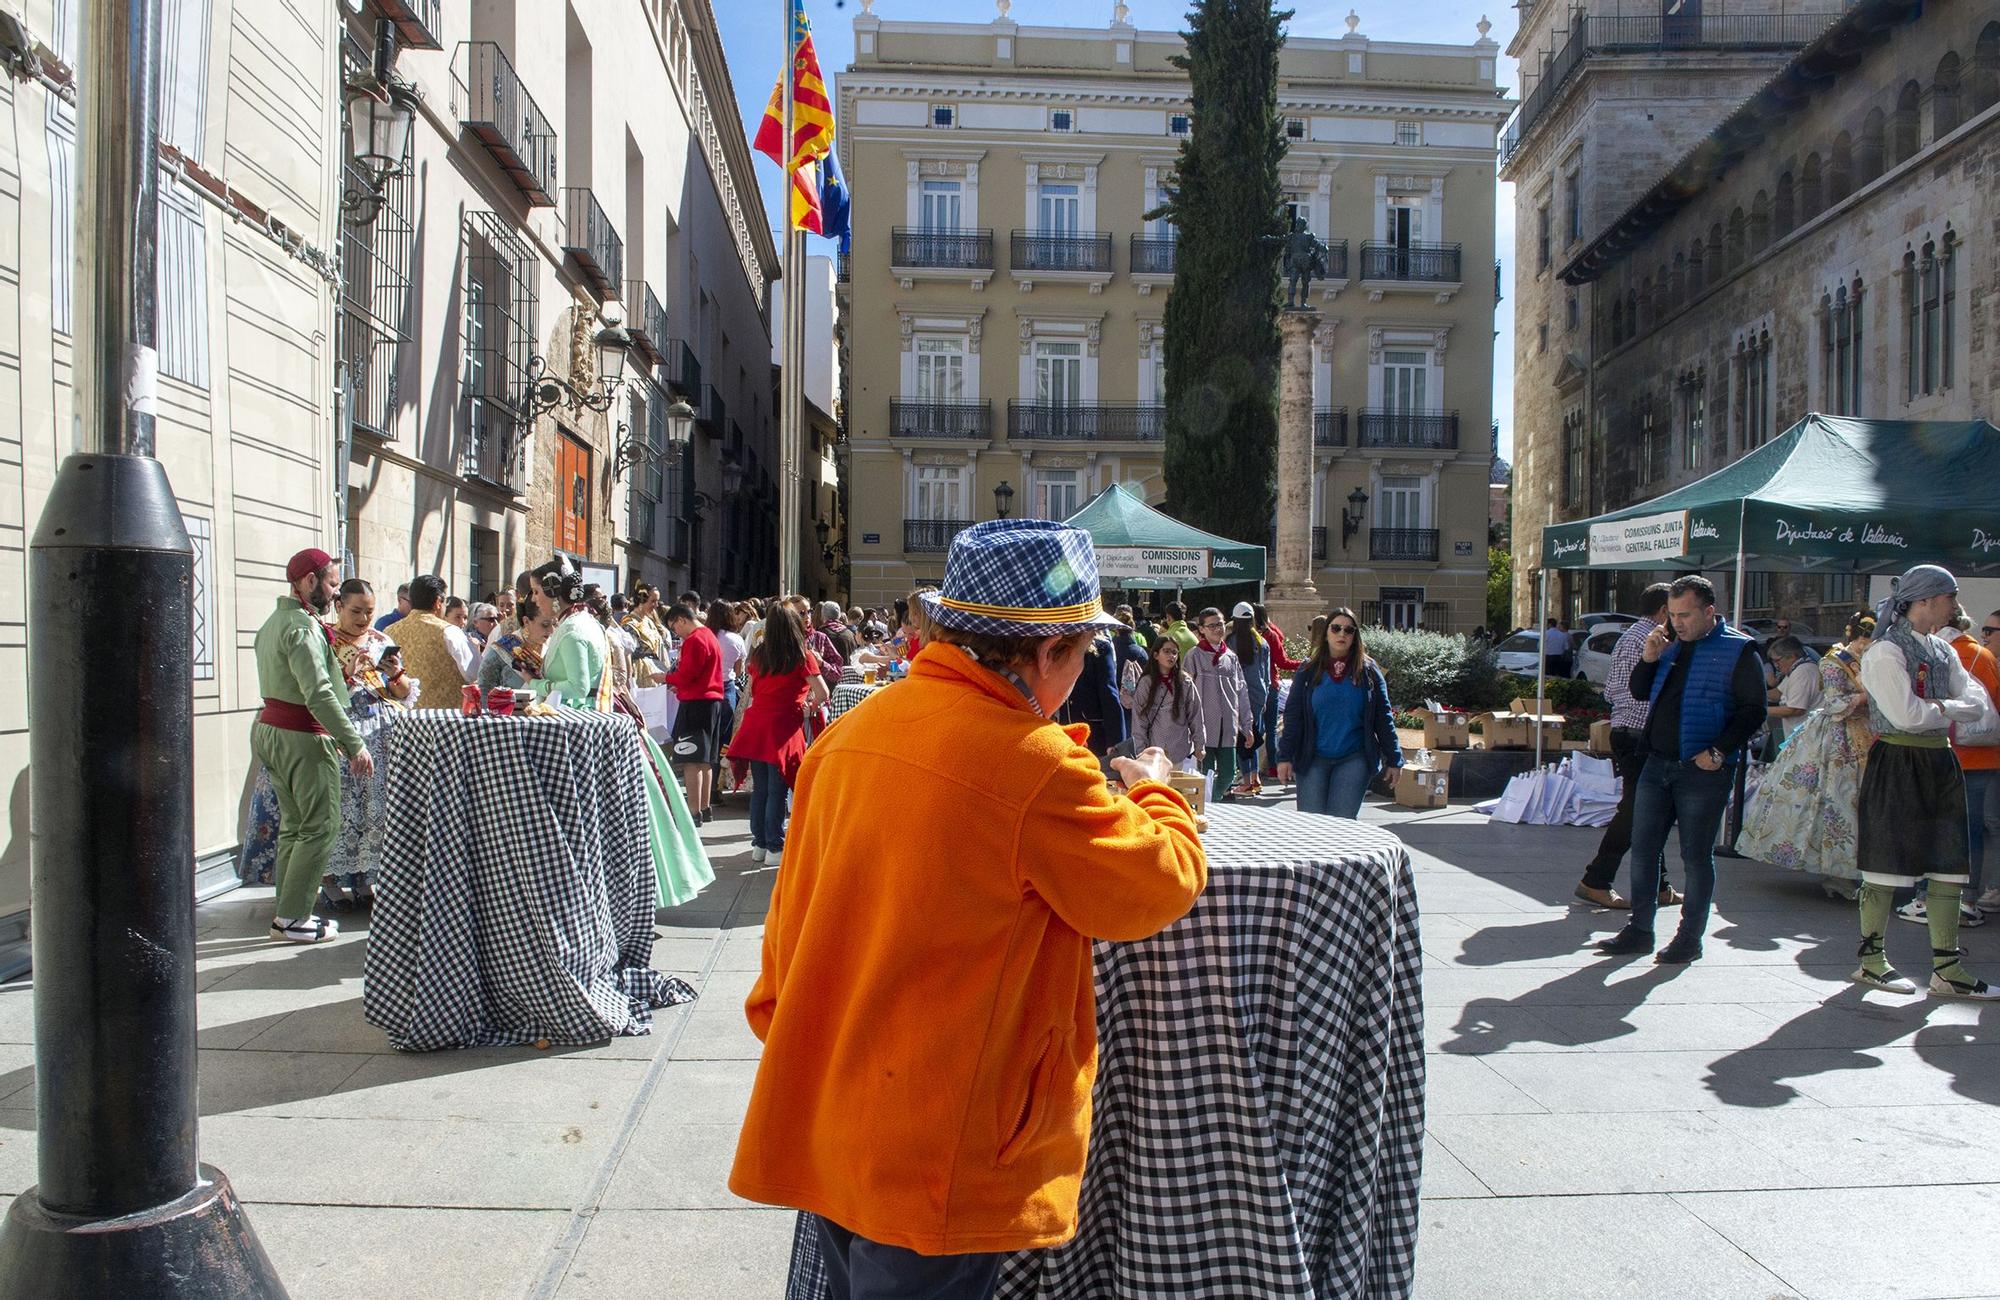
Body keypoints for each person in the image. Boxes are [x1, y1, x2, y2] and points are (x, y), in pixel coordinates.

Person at [730, 518, 1207, 1298]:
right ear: (1049, 652)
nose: (1082, 672)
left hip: (832, 1108)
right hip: (937, 1141)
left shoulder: (847, 738)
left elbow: (784, 940)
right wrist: (1159, 787)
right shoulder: (1034, 763)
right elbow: (1156, 884)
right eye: (1081, 653)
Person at [1596, 575, 1765, 965]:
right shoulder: (1669, 646)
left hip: (1702, 769)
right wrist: (1650, 657)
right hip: (1657, 761)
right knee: (1644, 850)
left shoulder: (1738, 650)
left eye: (1685, 615)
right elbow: (1638, 692)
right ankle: (1640, 930)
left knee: (1694, 855)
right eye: (1672, 615)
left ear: (1709, 611)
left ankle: (1690, 938)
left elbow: (1753, 710)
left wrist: (1719, 751)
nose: (1677, 623)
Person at [1847, 566, 1999, 998]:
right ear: (1928, 600)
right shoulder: (1885, 651)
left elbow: (1981, 707)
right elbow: (1904, 716)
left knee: (1948, 865)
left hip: (1940, 760)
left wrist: (1935, 705)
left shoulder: (1942, 649)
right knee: (1885, 862)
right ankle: (1871, 961)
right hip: (1897, 759)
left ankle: (1946, 970)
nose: (1956, 605)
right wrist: (1947, 707)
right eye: (1951, 597)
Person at [531, 555, 712, 908]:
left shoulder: (572, 630)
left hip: (588, 733)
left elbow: (578, 686)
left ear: (554, 594)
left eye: (537, 592)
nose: (533, 599)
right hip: (607, 723)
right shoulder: (582, 624)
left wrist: (536, 684)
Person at [252, 549, 375, 944]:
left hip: (274, 730)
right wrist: (354, 743)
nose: (335, 592)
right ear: (309, 582)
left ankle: (286, 912)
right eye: (333, 583)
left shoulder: (276, 622)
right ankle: (293, 917)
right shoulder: (302, 627)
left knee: (295, 826)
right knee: (319, 826)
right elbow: (318, 693)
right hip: (302, 735)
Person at [1739, 612, 1878, 899]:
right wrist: (1870, 697)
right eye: (1866, 638)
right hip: (1837, 739)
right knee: (1834, 801)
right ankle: (1837, 871)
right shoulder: (1833, 661)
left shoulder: (1876, 660)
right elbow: (1835, 703)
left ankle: (1866, 868)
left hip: (1872, 735)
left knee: (1860, 804)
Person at [1574, 584, 1683, 910]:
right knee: (1637, 811)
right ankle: (1596, 879)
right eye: (1677, 612)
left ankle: (1660, 886)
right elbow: (1647, 689)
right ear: (1665, 611)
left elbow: (1611, 691)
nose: (1679, 619)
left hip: (1625, 730)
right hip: (1640, 734)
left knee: (1649, 810)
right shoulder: (1654, 640)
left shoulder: (1629, 635)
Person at [1892, 607, 1997, 930]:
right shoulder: (1980, 655)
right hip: (1985, 756)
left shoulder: (1940, 655)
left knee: (1946, 831)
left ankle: (1940, 898)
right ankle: (1965, 898)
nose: (1987, 635)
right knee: (1971, 833)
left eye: (1993, 631)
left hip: (1949, 753)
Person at [323, 578, 415, 909]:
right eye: (356, 611)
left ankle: (365, 878)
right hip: (342, 727)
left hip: (379, 729)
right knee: (342, 804)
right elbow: (322, 691)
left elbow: (403, 694)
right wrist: (349, 671)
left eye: (369, 612)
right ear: (339, 607)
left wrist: (394, 674)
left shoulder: (380, 640)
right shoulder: (325, 639)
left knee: (374, 807)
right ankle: (329, 879)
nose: (363, 619)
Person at [1275, 607, 1401, 818]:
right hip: (1312, 757)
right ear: (1326, 633)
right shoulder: (1308, 670)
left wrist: (1394, 759)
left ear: (1355, 636)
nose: (1342, 634)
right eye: (1336, 628)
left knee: (1341, 825)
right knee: (1311, 824)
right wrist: (1284, 757)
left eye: (1348, 630)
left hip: (1354, 758)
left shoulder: (1369, 671)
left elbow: (1383, 717)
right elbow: (1293, 716)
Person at [731, 605, 829, 865]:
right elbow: (823, 693)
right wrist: (810, 707)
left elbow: (754, 689)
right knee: (777, 790)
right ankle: (775, 846)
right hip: (783, 726)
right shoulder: (801, 655)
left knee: (761, 789)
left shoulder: (759, 654)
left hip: (757, 723)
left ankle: (760, 845)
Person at [663, 601, 726, 826]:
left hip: (696, 703)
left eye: (675, 627)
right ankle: (704, 806)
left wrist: (666, 678)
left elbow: (688, 674)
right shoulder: (709, 635)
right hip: (712, 701)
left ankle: (692, 811)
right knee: (706, 759)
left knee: (691, 758)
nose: (676, 633)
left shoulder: (695, 640)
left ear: (682, 619)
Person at [1186, 606, 1253, 802]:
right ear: (1202, 630)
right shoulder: (1194, 656)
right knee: (1204, 774)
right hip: (1204, 727)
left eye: (1221, 624)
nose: (1218, 629)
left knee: (1228, 774)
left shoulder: (1231, 657)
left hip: (1228, 727)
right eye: (1212, 625)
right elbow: (1186, 692)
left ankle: (1211, 802)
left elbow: (1242, 692)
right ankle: (1206, 806)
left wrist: (1247, 725)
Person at [394, 574, 477, 703]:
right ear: (438, 602)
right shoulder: (449, 631)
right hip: (445, 717)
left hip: (405, 718)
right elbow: (474, 673)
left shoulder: (389, 631)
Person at [1128, 636, 1204, 765]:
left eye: (1174, 652)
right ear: (1156, 655)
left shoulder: (1185, 681)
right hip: (1154, 751)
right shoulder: (1147, 682)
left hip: (1182, 750)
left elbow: (1195, 714)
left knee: (1183, 785)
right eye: (1167, 651)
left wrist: (1199, 744)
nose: (1171, 656)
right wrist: (1140, 750)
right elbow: (1139, 719)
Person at [1054, 632, 1127, 762]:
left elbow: (1109, 695)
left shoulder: (1100, 648)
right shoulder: (1054, 645)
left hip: (1093, 731)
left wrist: (1116, 743)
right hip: (1062, 729)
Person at [1226, 603, 1271, 796]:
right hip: (1259, 694)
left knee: (1243, 739)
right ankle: (1255, 779)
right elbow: (1267, 674)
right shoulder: (1262, 642)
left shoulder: (1230, 641)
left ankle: (1246, 782)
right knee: (1254, 737)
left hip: (1238, 695)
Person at [1256, 603, 1301, 782]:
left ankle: (1250, 770)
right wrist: (1303, 663)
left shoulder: (1241, 636)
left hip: (1250, 687)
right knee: (1271, 729)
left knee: (1253, 729)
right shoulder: (1270, 635)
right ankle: (1273, 767)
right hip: (1270, 685)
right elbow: (1282, 662)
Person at [710, 599, 749, 792]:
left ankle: (705, 784)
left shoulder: (705, 636)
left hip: (707, 689)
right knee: (724, 738)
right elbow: (739, 669)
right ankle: (717, 783)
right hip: (727, 689)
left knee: (707, 736)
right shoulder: (736, 639)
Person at [478, 594, 555, 690]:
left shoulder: (553, 645)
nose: (552, 630)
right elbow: (484, 689)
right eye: (545, 624)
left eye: (554, 623)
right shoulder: (502, 649)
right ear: (526, 621)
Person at [1764, 635, 1822, 743]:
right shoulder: (1795, 669)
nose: (1776, 665)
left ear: (1791, 656)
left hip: (1806, 738)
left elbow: (1796, 709)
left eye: (1777, 661)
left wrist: (1760, 711)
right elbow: (1778, 693)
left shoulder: (1803, 672)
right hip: (1798, 736)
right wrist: (1752, 697)